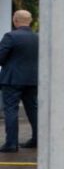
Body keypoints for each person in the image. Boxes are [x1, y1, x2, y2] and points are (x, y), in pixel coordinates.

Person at [0, 10, 39, 152]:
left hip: (12, 80)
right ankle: (37, 139)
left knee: (11, 110)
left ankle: (11, 144)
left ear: (15, 20)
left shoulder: (10, 36)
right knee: (33, 109)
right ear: (30, 21)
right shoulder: (38, 38)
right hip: (33, 79)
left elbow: (0, 58)